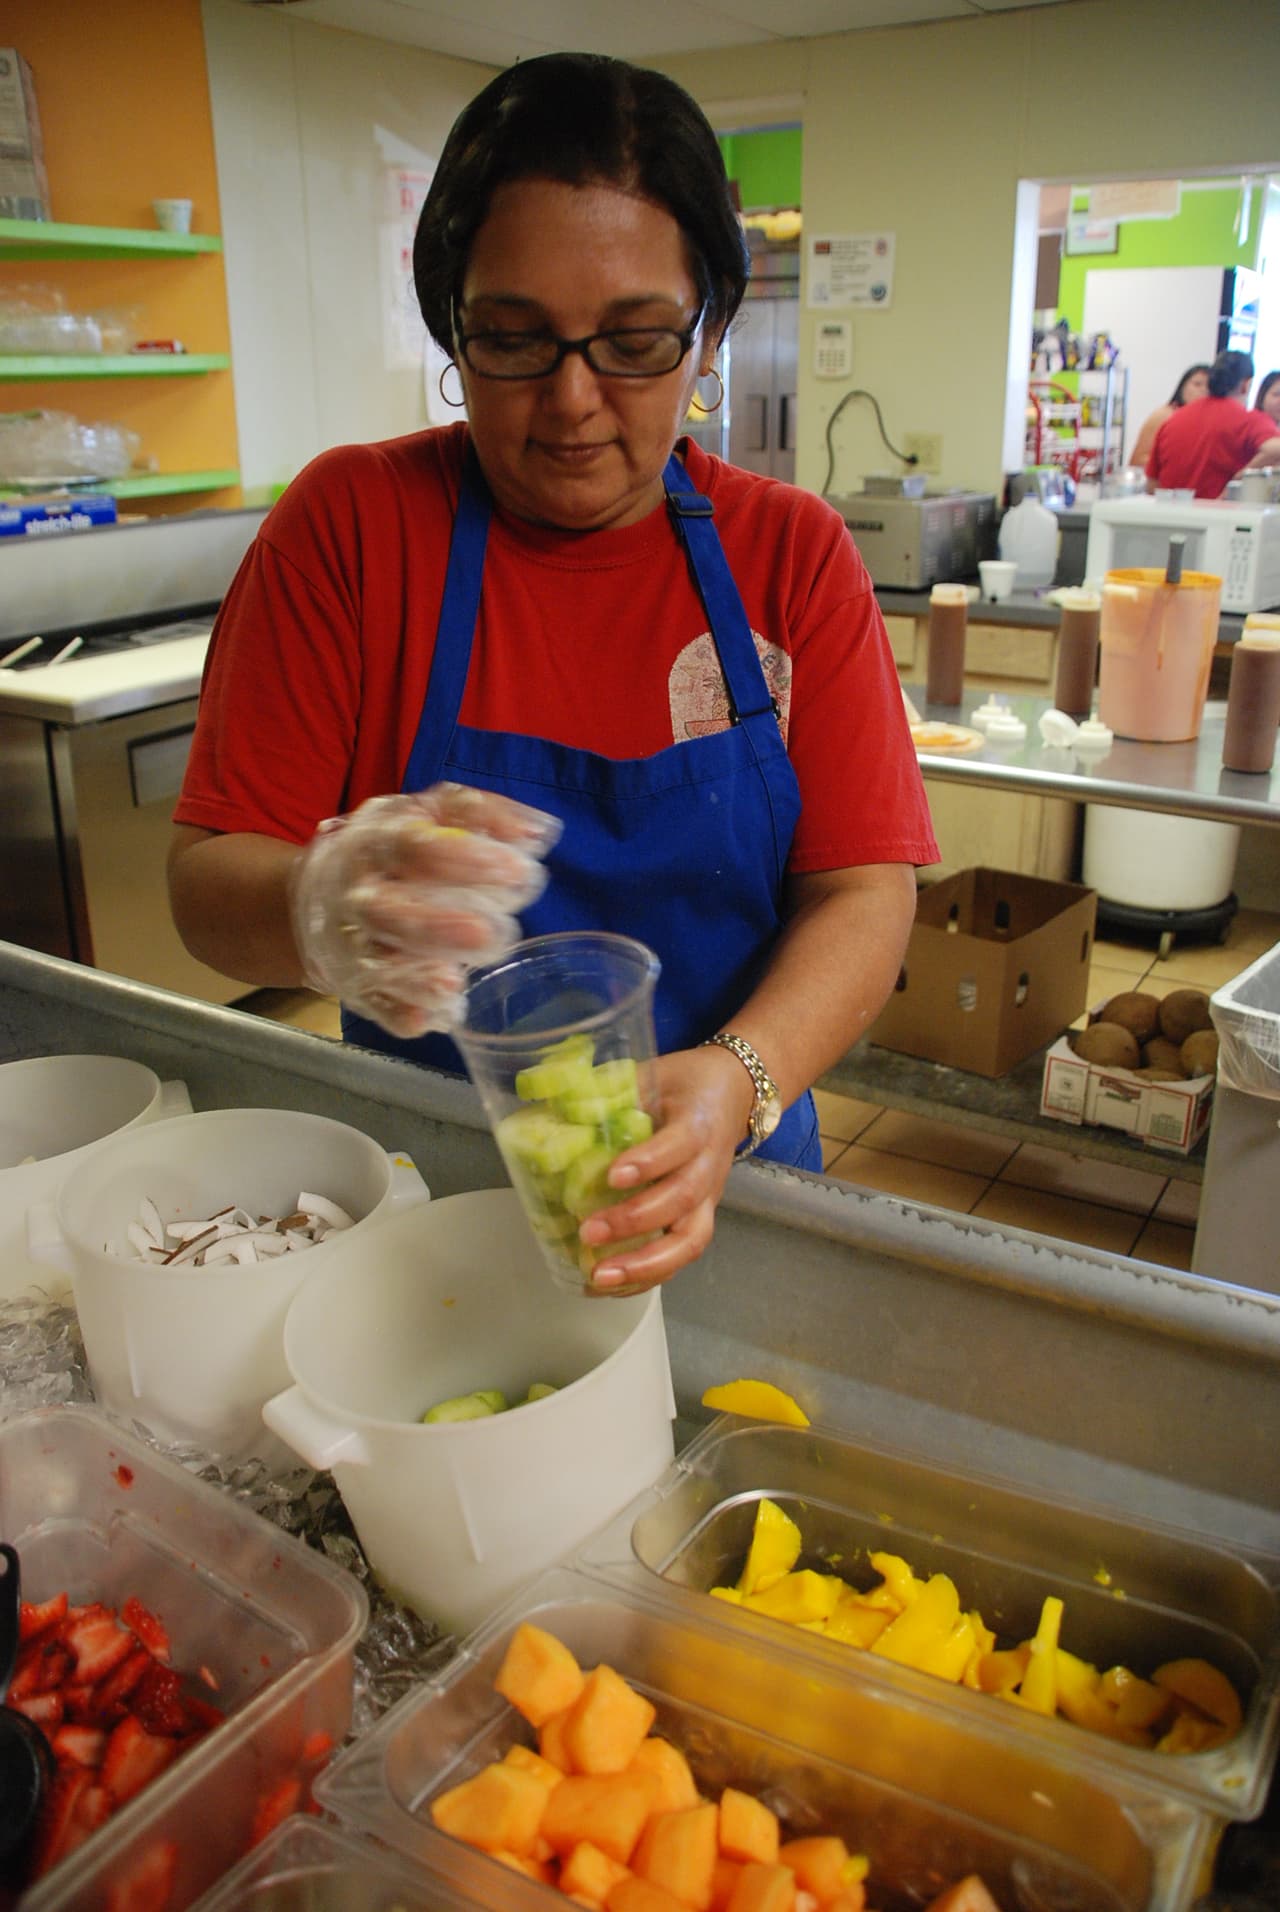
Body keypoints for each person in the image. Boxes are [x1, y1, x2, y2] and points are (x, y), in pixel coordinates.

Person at [167, 52, 937, 1295]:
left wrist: (736, 1079)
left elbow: (864, 890)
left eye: (635, 341)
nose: (575, 402)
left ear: (710, 331)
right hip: (431, 1203)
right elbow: (208, 885)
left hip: (735, 1172)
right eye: (514, 342)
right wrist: (319, 904)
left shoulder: (786, 553)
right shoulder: (352, 529)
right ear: (450, 328)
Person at [1146, 350, 1280, 499]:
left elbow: (1152, 484)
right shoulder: (1250, 421)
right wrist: (1241, 479)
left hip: (1168, 516)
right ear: (1246, 385)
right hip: (1220, 516)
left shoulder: (1174, 419)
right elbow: (1275, 449)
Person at [1127, 363, 1209, 472]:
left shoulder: (1211, 421)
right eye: (1197, 384)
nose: (1204, 390)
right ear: (1182, 387)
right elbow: (1137, 461)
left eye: (1209, 386)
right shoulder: (1164, 415)